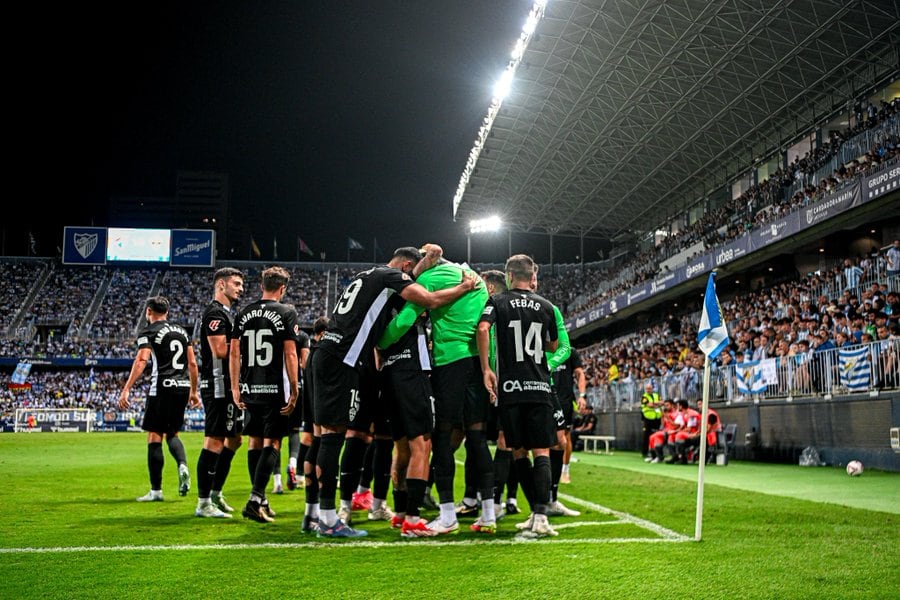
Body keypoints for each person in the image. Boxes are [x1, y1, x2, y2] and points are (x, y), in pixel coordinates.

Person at [311, 245, 476, 538]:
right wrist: (465, 286)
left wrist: (429, 259)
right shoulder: (393, 279)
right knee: (412, 442)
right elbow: (429, 299)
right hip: (350, 361)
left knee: (336, 436)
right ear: (405, 268)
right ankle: (337, 517)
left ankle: (322, 512)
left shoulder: (369, 276)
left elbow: (413, 275)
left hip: (335, 357)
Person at [378, 245, 493, 535]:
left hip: (448, 363)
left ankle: (447, 514)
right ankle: (489, 514)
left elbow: (404, 321)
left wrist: (380, 342)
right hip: (478, 363)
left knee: (441, 437)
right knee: (476, 439)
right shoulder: (474, 278)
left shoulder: (429, 281)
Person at [478, 254, 559, 538]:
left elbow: (483, 328)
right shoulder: (547, 306)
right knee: (542, 452)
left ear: (510, 276)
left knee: (518, 451)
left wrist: (487, 368)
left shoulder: (497, 301)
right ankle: (539, 515)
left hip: (510, 387)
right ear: (530, 276)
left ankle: (535, 513)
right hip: (539, 387)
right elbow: (552, 345)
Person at [229, 266, 299, 523]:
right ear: (282, 288)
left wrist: (235, 387)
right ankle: (255, 499)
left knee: (254, 442)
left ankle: (261, 500)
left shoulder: (244, 312)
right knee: (273, 443)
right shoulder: (287, 312)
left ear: (261, 286)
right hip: (274, 388)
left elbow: (234, 352)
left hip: (249, 387)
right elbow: (290, 353)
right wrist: (294, 386)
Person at [119, 295, 199, 502]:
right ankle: (182, 464)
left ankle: (156, 491)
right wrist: (193, 391)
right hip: (182, 387)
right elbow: (192, 364)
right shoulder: (182, 332)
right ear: (167, 312)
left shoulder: (148, 331)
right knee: (173, 433)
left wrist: (126, 388)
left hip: (162, 387)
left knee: (154, 436)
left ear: (148, 312)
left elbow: (142, 360)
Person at [195, 267, 245, 518]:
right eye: (236, 283)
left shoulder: (227, 314)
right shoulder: (214, 313)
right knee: (214, 440)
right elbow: (220, 350)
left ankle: (215, 493)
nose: (240, 288)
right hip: (216, 385)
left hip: (227, 386)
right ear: (221, 285)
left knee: (235, 439)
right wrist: (246, 347)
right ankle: (203, 503)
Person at [300, 316, 329, 533]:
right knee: (322, 445)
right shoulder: (322, 353)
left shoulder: (310, 356)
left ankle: (311, 512)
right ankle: (321, 511)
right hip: (321, 405)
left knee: (315, 443)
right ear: (321, 333)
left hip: (310, 404)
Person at [639, 382, 662, 462]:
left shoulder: (656, 395)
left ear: (652, 389)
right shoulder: (644, 397)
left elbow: (662, 402)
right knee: (646, 435)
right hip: (648, 418)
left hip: (657, 418)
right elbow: (649, 405)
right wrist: (656, 404)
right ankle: (644, 451)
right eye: (647, 389)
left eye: (650, 388)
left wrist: (655, 404)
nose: (648, 390)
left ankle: (655, 452)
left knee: (656, 435)